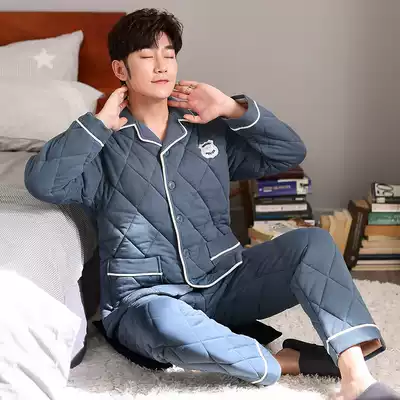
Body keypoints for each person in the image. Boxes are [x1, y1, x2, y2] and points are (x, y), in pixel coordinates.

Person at [25, 8, 398, 400]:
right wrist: (97, 124)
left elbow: (288, 152)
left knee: (313, 243)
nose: (161, 66)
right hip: (147, 299)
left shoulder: (204, 125)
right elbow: (43, 183)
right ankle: (283, 362)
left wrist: (232, 108)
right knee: (164, 321)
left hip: (226, 281)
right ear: (120, 69)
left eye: (169, 55)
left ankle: (356, 376)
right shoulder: (100, 145)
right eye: (147, 56)